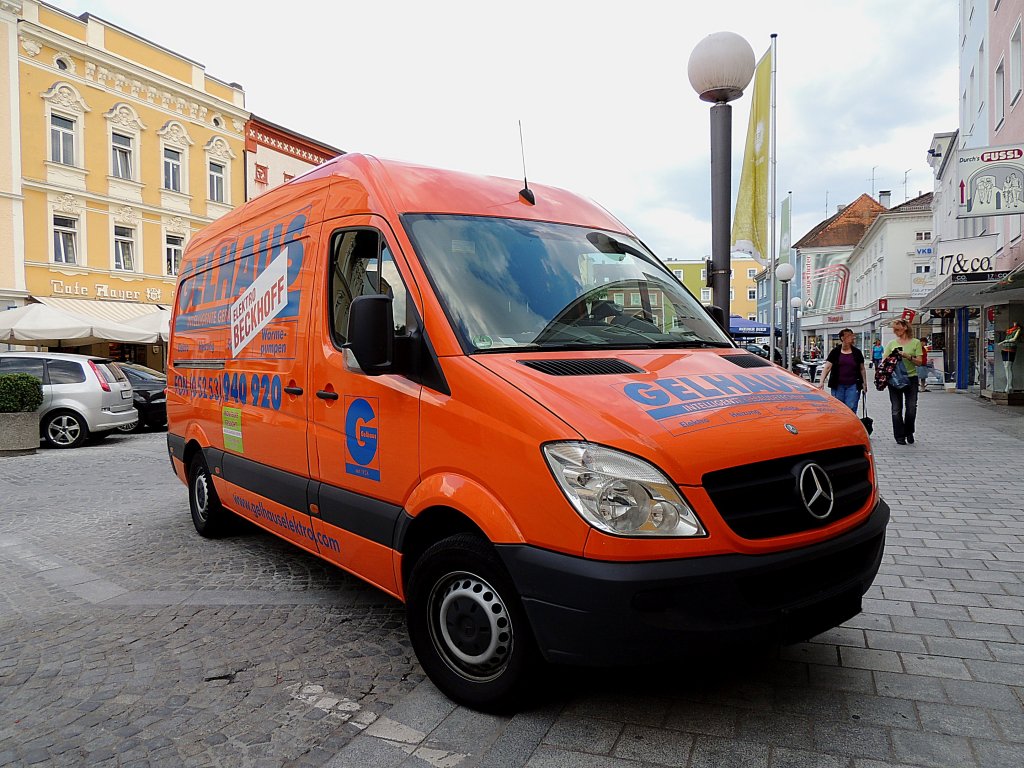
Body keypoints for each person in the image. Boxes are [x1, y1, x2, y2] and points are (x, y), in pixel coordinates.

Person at [884, 319, 924, 445]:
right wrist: (893, 357)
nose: (895, 332)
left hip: (911, 378)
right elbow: (884, 361)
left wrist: (907, 356)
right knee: (896, 409)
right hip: (895, 379)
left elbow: (919, 362)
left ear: (905, 327)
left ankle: (909, 431)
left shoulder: (916, 343)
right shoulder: (891, 343)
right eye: (894, 329)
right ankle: (899, 436)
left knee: (911, 407)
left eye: (897, 329)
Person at [818, 328, 867, 411]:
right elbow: (827, 367)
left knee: (851, 407)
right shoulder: (835, 352)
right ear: (842, 338)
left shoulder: (857, 352)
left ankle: (850, 424)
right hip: (838, 385)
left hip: (853, 385)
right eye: (849, 336)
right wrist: (821, 382)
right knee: (838, 408)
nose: (852, 337)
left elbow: (862, 369)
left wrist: (864, 383)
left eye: (852, 335)